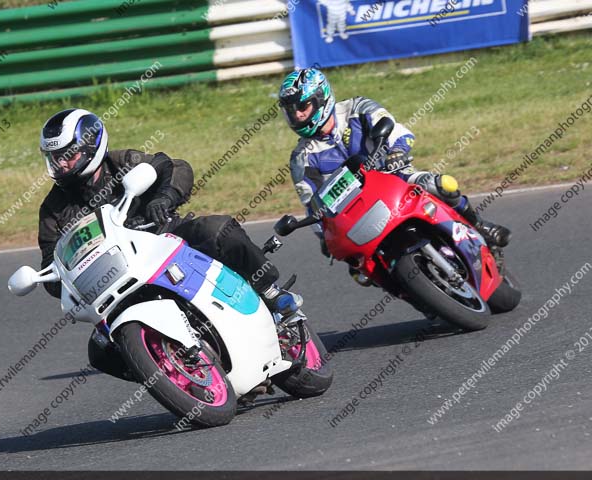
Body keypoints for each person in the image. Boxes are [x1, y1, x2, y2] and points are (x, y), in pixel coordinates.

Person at [37, 108, 299, 381]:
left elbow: (175, 167)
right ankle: (177, 378)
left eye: (68, 155)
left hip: (163, 238)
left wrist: (163, 198)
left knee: (219, 230)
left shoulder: (122, 162)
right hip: (115, 279)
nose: (61, 165)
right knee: (100, 350)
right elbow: (50, 261)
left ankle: (269, 291)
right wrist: (60, 280)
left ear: (90, 147)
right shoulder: (52, 209)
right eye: (54, 158)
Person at [277, 67, 511, 258]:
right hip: (355, 209)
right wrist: (324, 236)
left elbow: (397, 131)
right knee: (358, 268)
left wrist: (397, 152)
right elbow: (312, 204)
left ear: (321, 99)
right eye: (290, 110)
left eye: (302, 107)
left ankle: (478, 225)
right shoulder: (301, 158)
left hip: (394, 176)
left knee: (442, 184)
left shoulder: (357, 109)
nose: (297, 115)